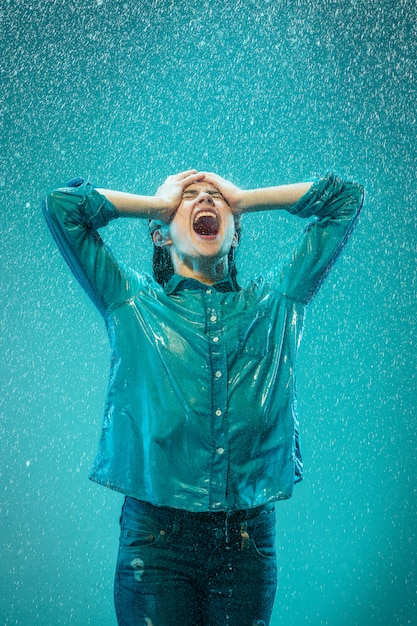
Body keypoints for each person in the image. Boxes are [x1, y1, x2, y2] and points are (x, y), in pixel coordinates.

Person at [43, 169, 364, 626]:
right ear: (160, 235)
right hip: (156, 545)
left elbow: (346, 200)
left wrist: (245, 197)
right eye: (187, 197)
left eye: (217, 198)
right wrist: (155, 204)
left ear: (235, 235)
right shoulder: (132, 302)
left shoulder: (274, 302)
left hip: (247, 545)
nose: (204, 201)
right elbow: (63, 206)